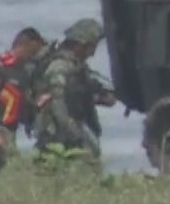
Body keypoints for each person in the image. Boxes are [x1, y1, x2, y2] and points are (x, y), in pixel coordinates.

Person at [32, 19, 112, 166]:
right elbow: (58, 103)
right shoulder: (59, 67)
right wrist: (74, 134)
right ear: (80, 45)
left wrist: (99, 97)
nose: (93, 53)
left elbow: (76, 94)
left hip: (71, 127)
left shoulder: (76, 67)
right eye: (91, 47)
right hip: (56, 132)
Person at [0, 27, 48, 173]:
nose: (33, 57)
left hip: (9, 130)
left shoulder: (22, 71)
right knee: (15, 166)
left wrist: (37, 103)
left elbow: (21, 100)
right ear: (23, 46)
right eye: (32, 52)